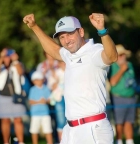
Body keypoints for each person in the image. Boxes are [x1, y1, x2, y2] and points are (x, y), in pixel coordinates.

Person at [23, 13, 118, 144]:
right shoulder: (69, 54)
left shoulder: (95, 51)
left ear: (81, 31)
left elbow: (112, 57)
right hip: (70, 130)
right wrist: (34, 27)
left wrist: (102, 31)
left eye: (70, 34)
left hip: (93, 128)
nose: (66, 40)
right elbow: (55, 51)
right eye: (62, 37)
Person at [0, 48, 26, 144]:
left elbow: (20, 72)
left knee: (18, 119)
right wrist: (1, 57)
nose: (8, 58)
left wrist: (15, 60)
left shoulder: (17, 64)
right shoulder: (2, 67)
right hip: (3, 96)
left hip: (16, 96)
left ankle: (21, 142)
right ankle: (6, 142)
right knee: (5, 120)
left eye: (9, 56)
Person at [109, 44, 136, 144]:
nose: (122, 57)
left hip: (131, 96)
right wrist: (122, 70)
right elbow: (113, 82)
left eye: (123, 55)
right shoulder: (113, 66)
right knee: (119, 121)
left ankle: (130, 141)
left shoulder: (130, 65)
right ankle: (119, 141)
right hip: (118, 98)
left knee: (130, 121)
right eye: (120, 55)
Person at [29, 70, 53, 144]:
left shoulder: (46, 88)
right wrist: (39, 101)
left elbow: (50, 99)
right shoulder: (32, 89)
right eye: (36, 80)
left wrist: (45, 101)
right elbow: (30, 101)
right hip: (35, 114)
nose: (38, 81)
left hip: (45, 113)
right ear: (33, 81)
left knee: (48, 130)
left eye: (39, 79)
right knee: (34, 130)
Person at [49, 61, 66, 142]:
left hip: (70, 98)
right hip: (59, 98)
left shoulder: (71, 71)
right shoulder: (56, 73)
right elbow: (52, 86)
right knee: (61, 121)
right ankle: (61, 141)